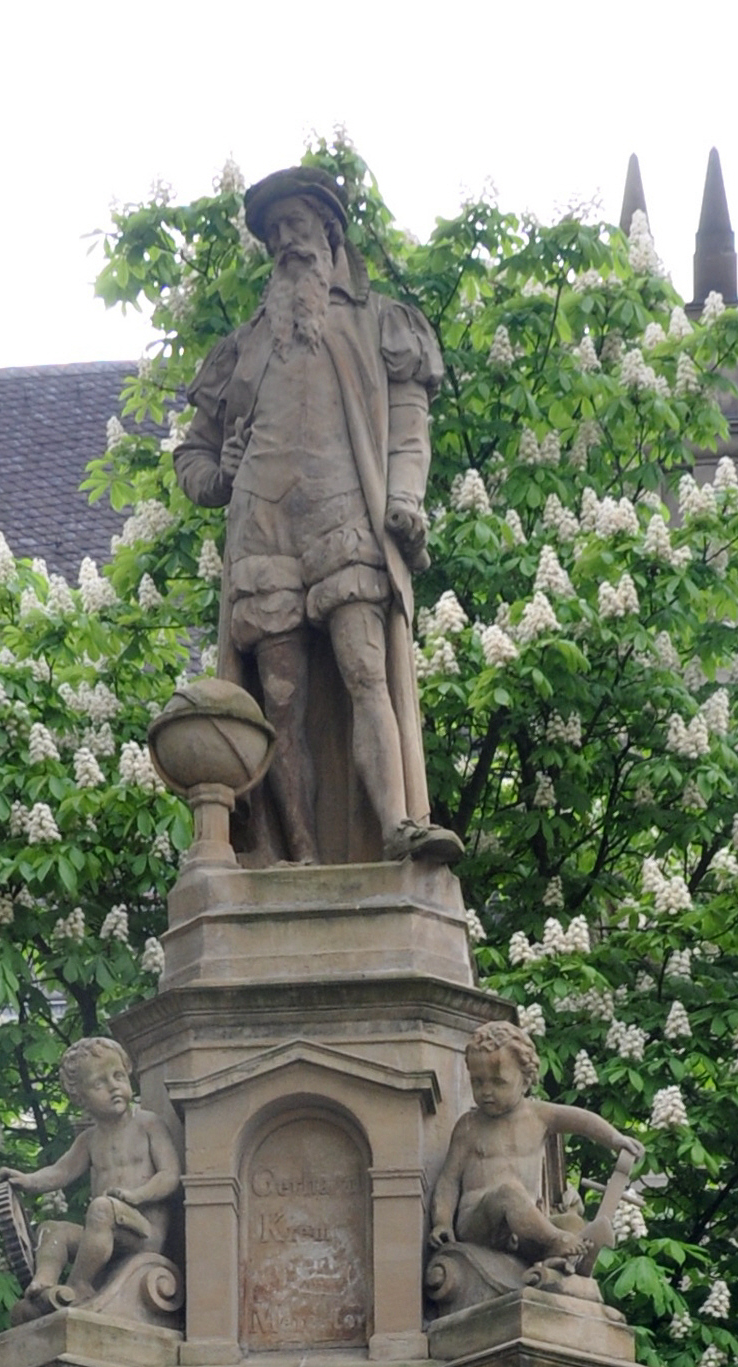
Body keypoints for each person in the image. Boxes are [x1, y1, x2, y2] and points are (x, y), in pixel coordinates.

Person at [176, 166, 459, 870]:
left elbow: (408, 427)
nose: (283, 243)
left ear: (327, 233)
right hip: (263, 527)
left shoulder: (379, 321)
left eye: (294, 227)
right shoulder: (244, 345)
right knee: (279, 700)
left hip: (344, 513)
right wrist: (218, 474)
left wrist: (404, 498)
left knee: (364, 669)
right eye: (273, 234)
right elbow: (194, 456)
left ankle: (396, 823)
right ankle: (296, 855)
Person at [429, 1022, 643, 1279]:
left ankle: (557, 1261)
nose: (486, 1091)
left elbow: (582, 1120)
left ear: (526, 1080)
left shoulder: (538, 1116)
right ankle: (555, 1241)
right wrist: (442, 1221)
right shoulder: (468, 1126)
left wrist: (616, 1139)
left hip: (522, 1229)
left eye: (498, 1082)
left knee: (572, 1223)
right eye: (478, 1082)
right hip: (480, 1223)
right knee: (509, 1192)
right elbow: (448, 1180)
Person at [0, 1036, 180, 1317]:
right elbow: (60, 1172)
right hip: (106, 1229)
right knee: (52, 1229)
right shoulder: (89, 1139)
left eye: (118, 1076)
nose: (113, 1087)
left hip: (144, 1232)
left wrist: (137, 1195)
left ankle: (79, 1284)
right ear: (80, 1098)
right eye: (99, 1083)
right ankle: (44, 1284)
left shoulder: (147, 1124)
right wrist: (27, 1181)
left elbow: (170, 1175)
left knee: (101, 1208)